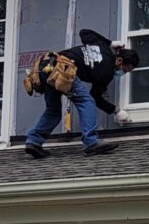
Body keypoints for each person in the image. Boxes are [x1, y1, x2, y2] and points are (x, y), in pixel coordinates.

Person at [25, 29, 139, 159]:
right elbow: (96, 98)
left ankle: (33, 142)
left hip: (45, 65)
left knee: (53, 110)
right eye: (126, 69)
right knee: (87, 102)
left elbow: (84, 33)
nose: (124, 73)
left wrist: (110, 43)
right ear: (119, 61)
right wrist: (116, 111)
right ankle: (91, 142)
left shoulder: (102, 47)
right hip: (63, 69)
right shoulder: (107, 71)